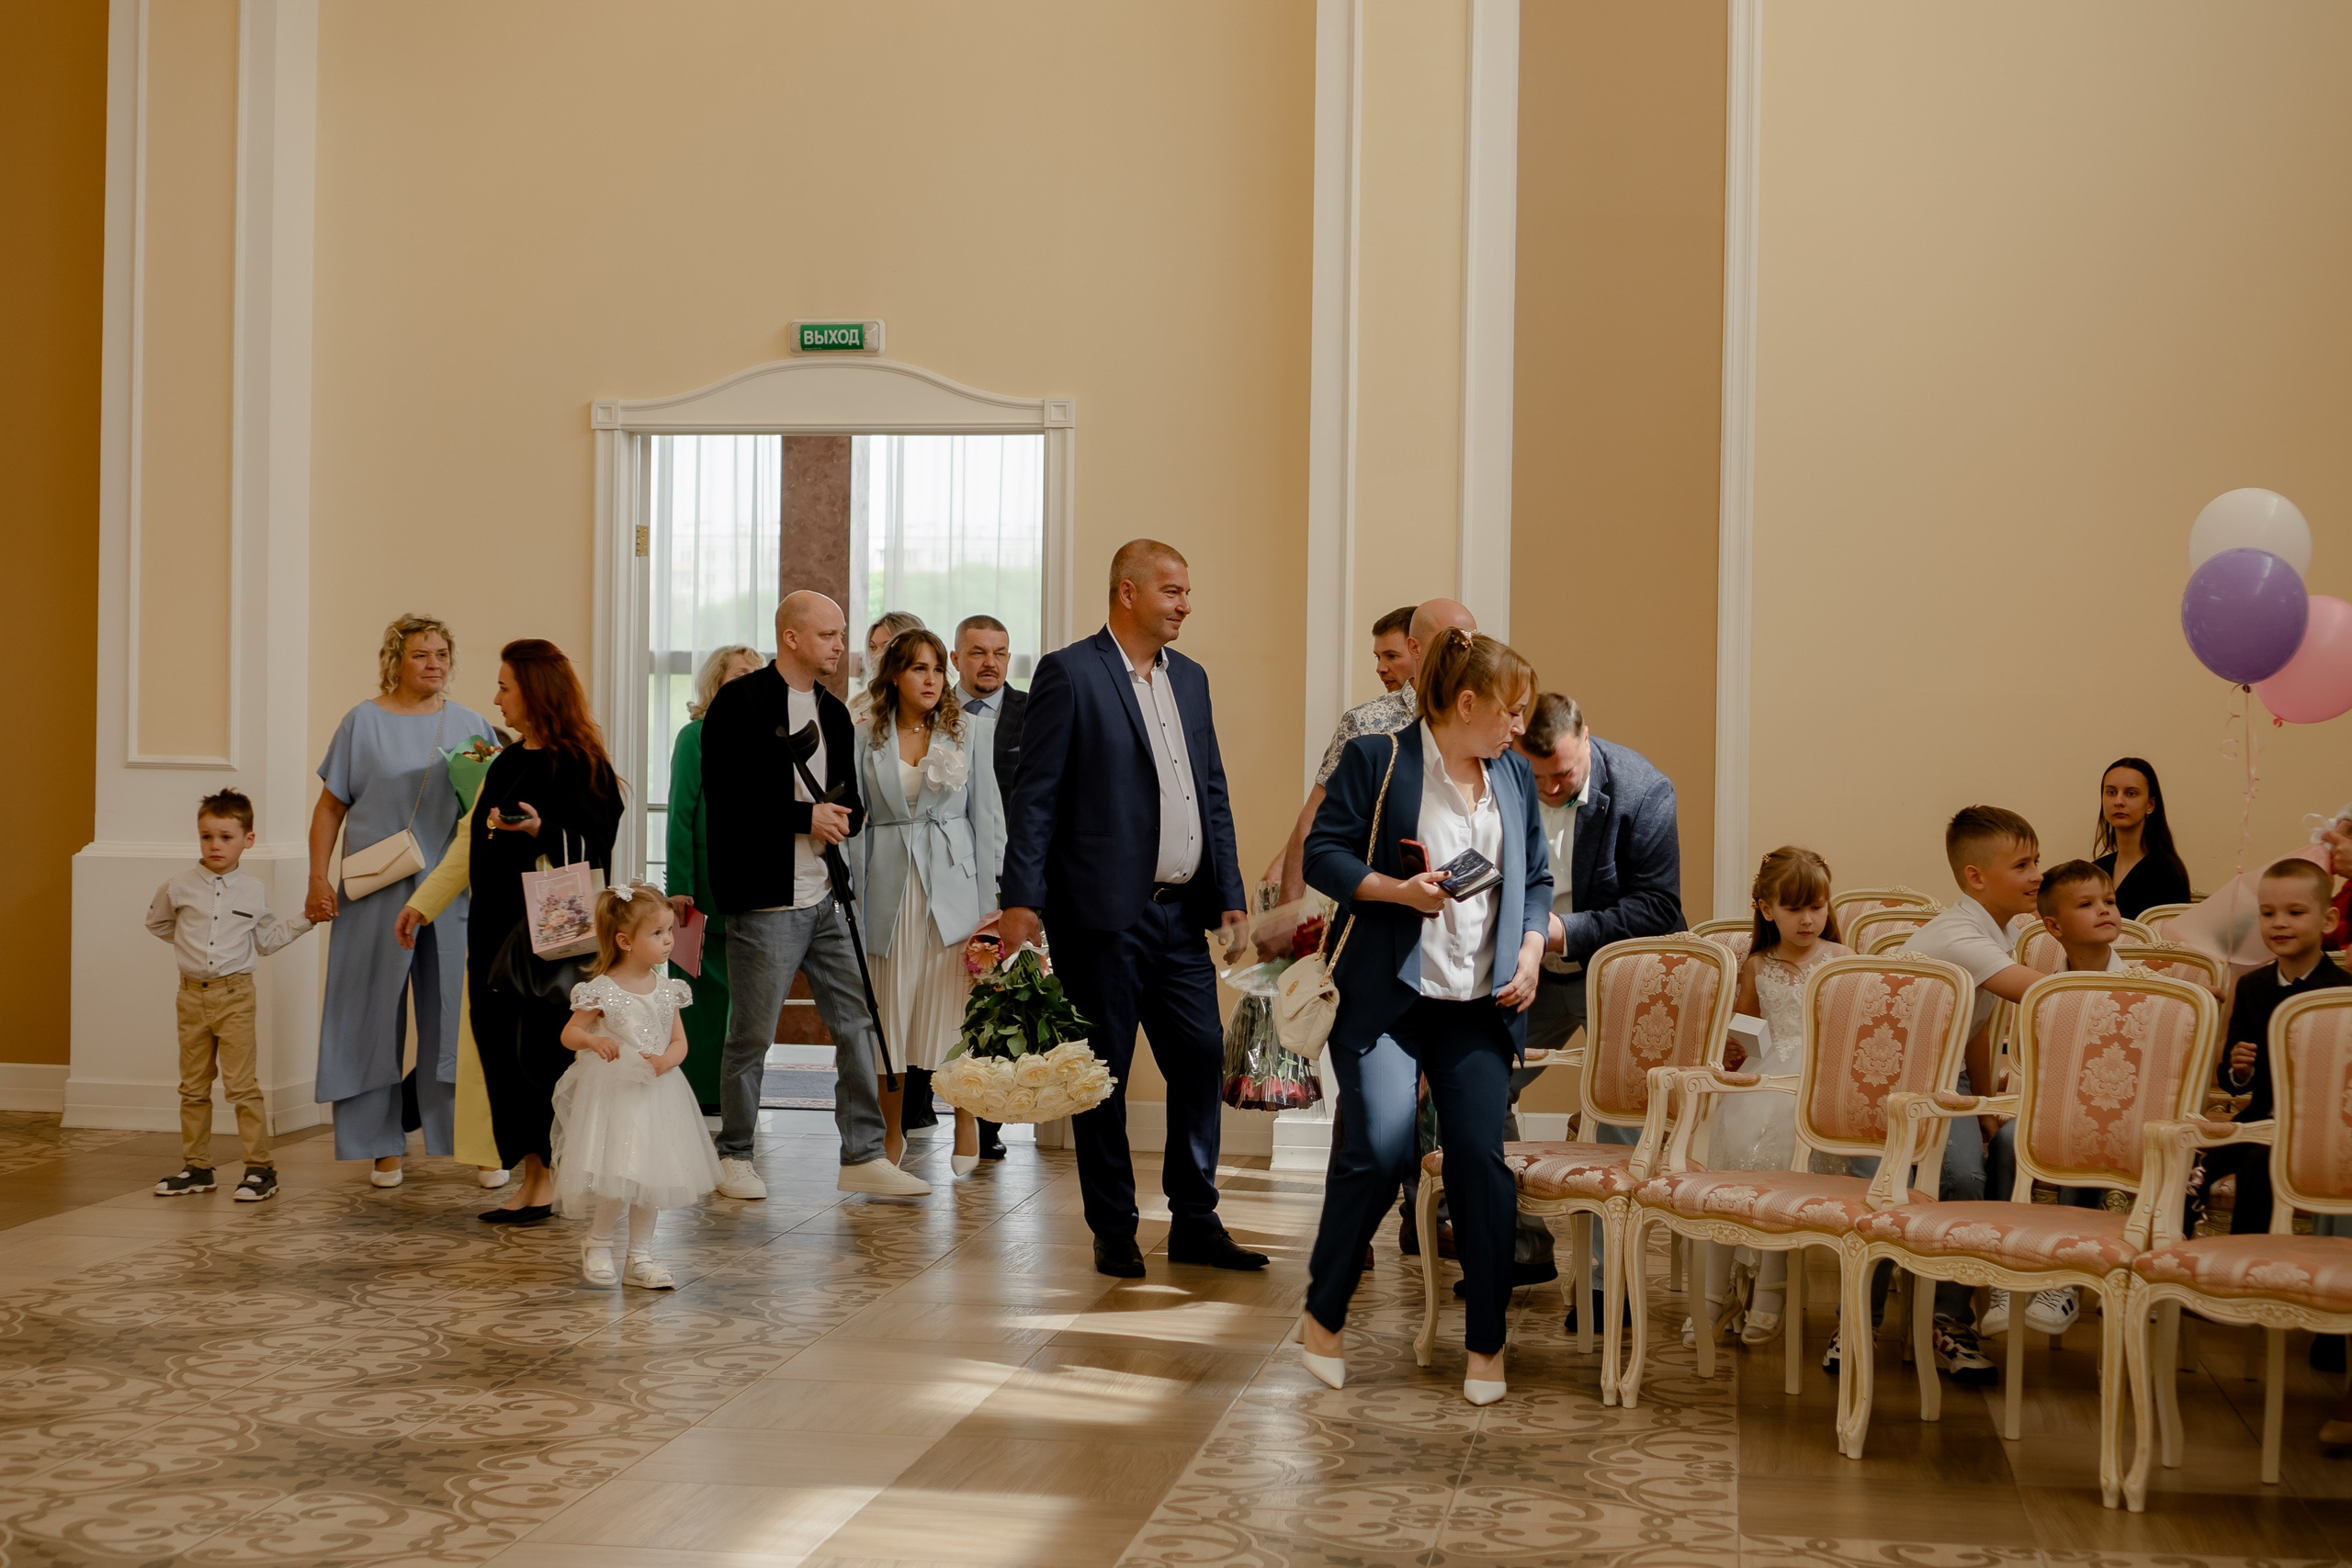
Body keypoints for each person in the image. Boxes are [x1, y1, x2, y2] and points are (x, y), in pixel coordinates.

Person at [1297, 629, 1557, 1405]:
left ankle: (1485, 1344)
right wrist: (1395, 890)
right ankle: (1324, 1312)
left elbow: (1536, 877)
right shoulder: (1379, 760)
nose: (1518, 728)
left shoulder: (1511, 777)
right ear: (1465, 702)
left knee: (1482, 1165)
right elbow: (1324, 855)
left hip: (1477, 1008)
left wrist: (1533, 948)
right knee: (1377, 1153)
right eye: (1509, 711)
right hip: (1387, 1002)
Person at [998, 539, 1261, 1278]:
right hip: (1101, 916)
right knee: (1103, 1076)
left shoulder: (1194, 680)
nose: (1185, 603)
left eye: (1186, 590)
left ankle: (1195, 1219)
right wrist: (1021, 900)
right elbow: (1036, 797)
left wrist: (1231, 897)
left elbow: (1212, 789)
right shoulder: (1071, 673)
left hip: (1183, 916)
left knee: (1201, 1058)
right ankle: (1113, 1226)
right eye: (1172, 590)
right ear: (1128, 592)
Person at [700, 592, 930, 1199]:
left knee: (857, 1021)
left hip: (827, 895)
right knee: (752, 1034)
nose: (840, 645)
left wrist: (843, 816)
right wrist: (806, 817)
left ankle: (860, 1153)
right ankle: (736, 1152)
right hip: (765, 900)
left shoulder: (831, 710)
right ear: (792, 637)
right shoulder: (738, 703)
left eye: (842, 633)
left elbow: (846, 795)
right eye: (828, 634)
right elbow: (730, 798)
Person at [396, 640, 623, 1224]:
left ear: (535, 693)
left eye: (504, 687)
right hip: (493, 934)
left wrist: (543, 831)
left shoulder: (584, 765)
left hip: (551, 940)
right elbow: (469, 842)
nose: (496, 698)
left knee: (538, 1055)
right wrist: (422, 906)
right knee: (501, 1053)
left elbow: (595, 851)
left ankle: (547, 1178)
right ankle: (530, 1178)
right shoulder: (505, 761)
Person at [1509, 691, 1687, 1313]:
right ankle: (1522, 1247)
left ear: (1587, 736)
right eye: (1539, 777)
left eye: (1562, 772)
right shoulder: (1505, 778)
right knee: (1480, 1083)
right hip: (1527, 966)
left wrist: (1563, 930)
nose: (1551, 787)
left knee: (1619, 1111)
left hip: (1608, 969)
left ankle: (1608, 1287)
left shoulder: (1644, 792)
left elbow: (1660, 909)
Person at [306, 615, 497, 1187]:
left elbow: (487, 811)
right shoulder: (361, 723)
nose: (434, 663)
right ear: (395, 660)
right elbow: (329, 809)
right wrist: (319, 877)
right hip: (373, 891)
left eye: (442, 653)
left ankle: (473, 1141)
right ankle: (379, 1144)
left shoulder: (470, 724)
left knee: (456, 1017)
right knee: (366, 1014)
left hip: (452, 893)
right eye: (421, 654)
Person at [1887, 805, 2048, 1386]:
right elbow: (2048, 994)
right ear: (1976, 877)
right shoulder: (1959, 935)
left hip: (1947, 1075)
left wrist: (1983, 1108)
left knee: (2007, 1148)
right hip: (1904, 1082)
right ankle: (1944, 1321)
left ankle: (1979, 1297)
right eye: (2024, 864)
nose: (2037, 875)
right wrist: (2139, 989)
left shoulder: (2001, 929)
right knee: (1963, 1179)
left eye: (2038, 862)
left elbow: (1976, 1027)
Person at [852, 626, 1005, 1175]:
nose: (932, 680)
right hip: (887, 891)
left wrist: (993, 910)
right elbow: (856, 824)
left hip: (956, 892)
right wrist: (854, 892)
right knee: (889, 1016)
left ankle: (965, 1119)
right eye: (920, 668)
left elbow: (988, 823)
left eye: (939, 669)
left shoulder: (971, 733)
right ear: (894, 674)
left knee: (955, 1014)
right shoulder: (864, 734)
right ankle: (891, 1131)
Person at [1976, 859, 2136, 1341]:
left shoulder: (2141, 987)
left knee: (2084, 1144)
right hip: (2052, 1109)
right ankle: (2008, 1273)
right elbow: (2033, 1066)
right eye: (2087, 905)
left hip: (2118, 1119)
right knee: (2007, 1144)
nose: (2105, 911)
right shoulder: (2041, 990)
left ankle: (2066, 1278)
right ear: (2054, 926)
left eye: (2108, 901)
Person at [1701, 846, 1852, 1348]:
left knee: (1785, 1167)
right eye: (1795, 909)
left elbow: (1852, 1030)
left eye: (1817, 907)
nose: (1809, 920)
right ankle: (1714, 1292)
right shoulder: (1759, 964)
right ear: (1768, 910)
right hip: (1768, 1074)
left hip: (1820, 1081)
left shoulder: (1843, 961)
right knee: (1733, 1152)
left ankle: (1771, 1288)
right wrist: (1729, 1063)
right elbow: (1750, 1034)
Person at [149, 790, 318, 1201]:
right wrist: (193, 952)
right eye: (207, 836)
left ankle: (260, 1169)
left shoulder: (253, 891)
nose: (215, 845)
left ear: (248, 839)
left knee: (241, 1085)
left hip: (235, 995)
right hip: (190, 998)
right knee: (193, 1086)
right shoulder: (177, 887)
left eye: (225, 836)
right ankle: (197, 1168)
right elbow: (159, 925)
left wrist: (306, 920)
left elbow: (265, 940)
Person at [553, 883, 722, 1289]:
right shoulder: (603, 991)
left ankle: (640, 1258)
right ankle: (597, 1242)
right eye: (657, 934)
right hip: (617, 1093)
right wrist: (594, 1039)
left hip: (659, 1093)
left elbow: (679, 1041)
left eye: (669, 932)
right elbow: (569, 1034)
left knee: (653, 1176)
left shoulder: (668, 990)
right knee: (620, 1170)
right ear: (625, 941)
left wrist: (667, 1060)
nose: (668, 941)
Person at [1272, 601, 1476, 903]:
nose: (1381, 667)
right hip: (1384, 903)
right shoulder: (1366, 722)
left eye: (1391, 656)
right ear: (1416, 647)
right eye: (1380, 656)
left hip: (1469, 902)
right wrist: (1287, 906)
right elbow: (1317, 817)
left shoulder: (1481, 718)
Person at [2196, 858, 2351, 1240]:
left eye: (2295, 912)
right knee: (2191, 1165)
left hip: (2319, 1132)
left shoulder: (2342, 992)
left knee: (2258, 1164)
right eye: (2268, 913)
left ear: (2327, 921)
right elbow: (2232, 1084)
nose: (2280, 923)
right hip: (2257, 1121)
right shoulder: (2252, 987)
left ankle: (2247, 1271)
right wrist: (2238, 1070)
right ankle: (2185, 1272)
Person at [664, 643, 764, 1111]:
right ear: (715, 683)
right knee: (698, 995)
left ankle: (737, 1095)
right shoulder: (695, 736)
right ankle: (700, 1093)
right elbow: (681, 816)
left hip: (754, 888)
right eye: (740, 674)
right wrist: (680, 887)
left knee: (746, 1003)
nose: (750, 682)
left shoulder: (769, 737)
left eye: (756, 675)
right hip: (700, 890)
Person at [951, 613, 1025, 1160]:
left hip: (1014, 878)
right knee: (947, 998)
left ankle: (989, 1122)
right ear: (957, 659)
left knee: (1002, 1001)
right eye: (977, 652)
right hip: (947, 877)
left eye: (999, 652)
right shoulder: (931, 712)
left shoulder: (1033, 712)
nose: (990, 662)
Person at [2091, 757, 2191, 919]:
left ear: (2150, 805)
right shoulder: (2096, 870)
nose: (2118, 801)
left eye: (2131, 794)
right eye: (2111, 792)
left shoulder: (2166, 872)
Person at [850, 610, 926, 726]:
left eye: (886, 646)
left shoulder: (928, 697)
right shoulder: (857, 704)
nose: (875, 656)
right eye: (872, 647)